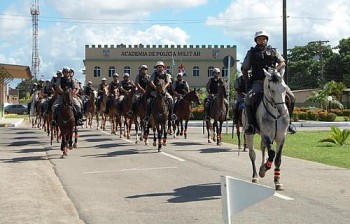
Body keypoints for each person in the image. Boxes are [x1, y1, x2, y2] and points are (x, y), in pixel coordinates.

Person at [241, 30, 296, 134]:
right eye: (259, 39)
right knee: (248, 98)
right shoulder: (251, 53)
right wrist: (247, 82)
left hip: (274, 81)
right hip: (258, 82)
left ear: (266, 40)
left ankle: (289, 123)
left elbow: (282, 62)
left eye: (264, 38)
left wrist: (276, 70)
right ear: (256, 40)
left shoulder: (274, 51)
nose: (262, 40)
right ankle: (251, 125)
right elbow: (244, 68)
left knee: (292, 97)